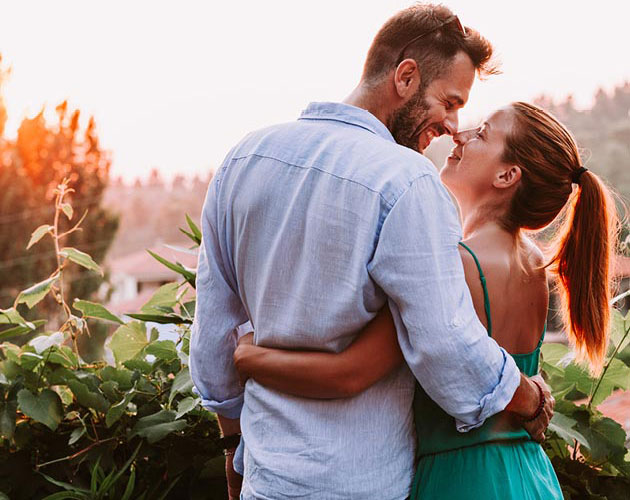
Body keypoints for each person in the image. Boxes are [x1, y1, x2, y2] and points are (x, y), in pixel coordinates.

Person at [189, 5, 553, 499]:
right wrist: (529, 397)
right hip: (364, 485)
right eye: (449, 102)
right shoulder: (406, 182)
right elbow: (447, 348)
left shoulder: (244, 158)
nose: (452, 126)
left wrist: (234, 452)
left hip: (266, 482)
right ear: (406, 76)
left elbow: (215, 336)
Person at [234, 101, 618, 499]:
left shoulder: (453, 266)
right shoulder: (532, 262)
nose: (460, 135)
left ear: (508, 175)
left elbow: (349, 372)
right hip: (528, 473)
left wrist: (248, 357)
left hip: (462, 480)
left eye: (482, 133)